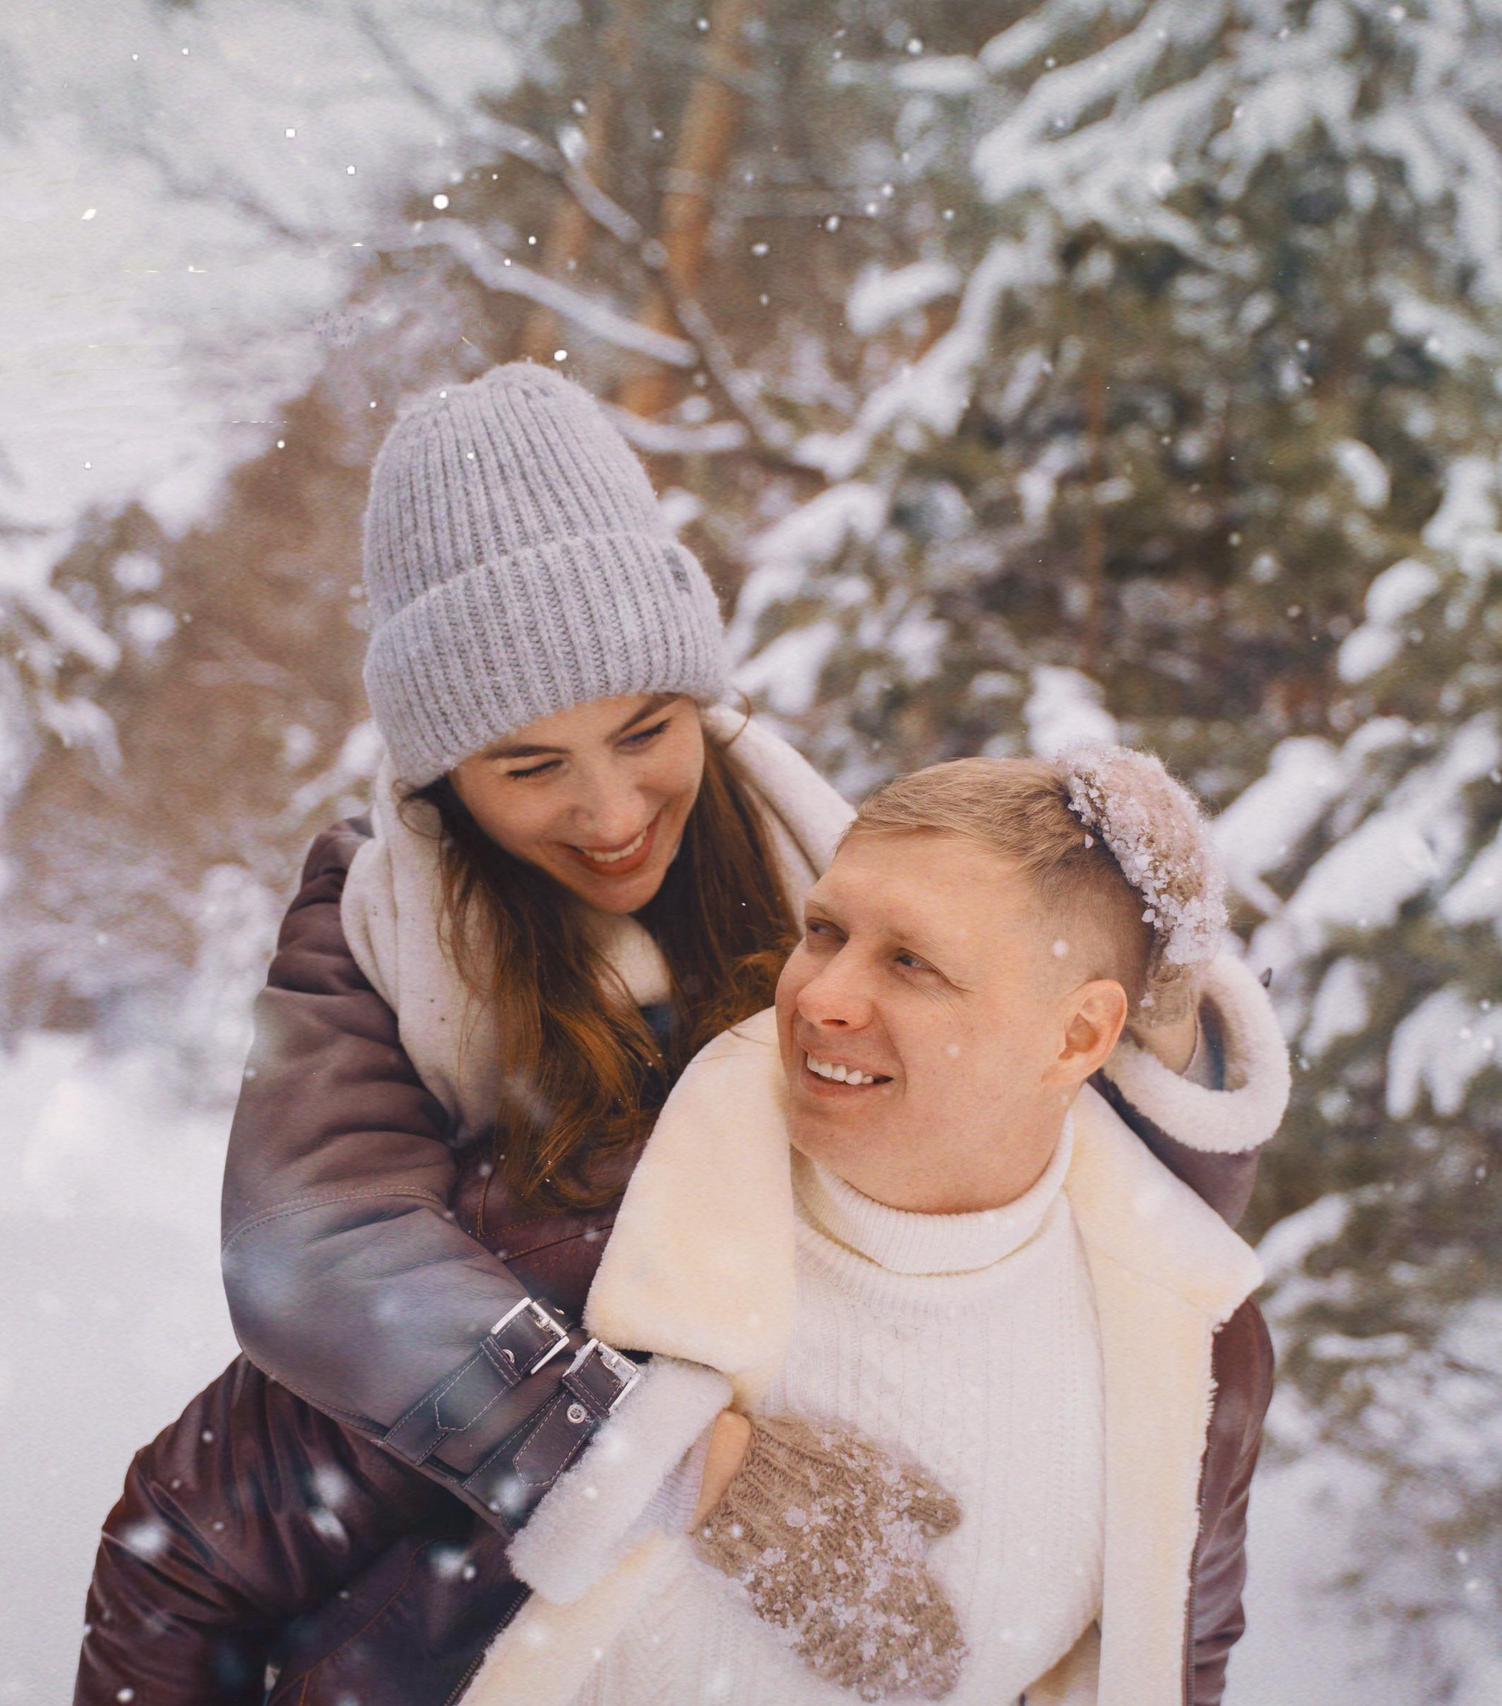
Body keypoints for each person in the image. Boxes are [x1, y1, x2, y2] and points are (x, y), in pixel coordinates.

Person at [73, 366, 1288, 1704]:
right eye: (529, 765)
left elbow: (1072, 1194)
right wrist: (653, 1452)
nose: (607, 810)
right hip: (477, 1512)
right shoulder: (379, 940)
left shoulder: (810, 868)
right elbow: (308, 1252)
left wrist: (1157, 1010)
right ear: (441, 774)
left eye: (645, 730)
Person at [450, 746, 1283, 1706]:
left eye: (912, 963)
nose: (821, 996)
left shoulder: (1195, 1348)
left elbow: (1183, 1660)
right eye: (825, 931)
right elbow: (244, 1549)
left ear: (1077, 1037)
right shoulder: (571, 1219)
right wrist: (678, 1463)